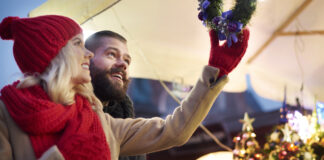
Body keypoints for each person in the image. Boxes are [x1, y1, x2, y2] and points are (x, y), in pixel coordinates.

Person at [0, 15, 249, 160]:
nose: (85, 53)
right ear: (54, 53)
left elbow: (173, 130)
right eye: (77, 44)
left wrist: (217, 71)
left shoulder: (99, 120)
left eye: (127, 60)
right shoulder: (6, 114)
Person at [86, 31, 145, 160]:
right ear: (86, 59)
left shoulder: (132, 133)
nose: (123, 64)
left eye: (127, 60)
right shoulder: (62, 112)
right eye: (112, 54)